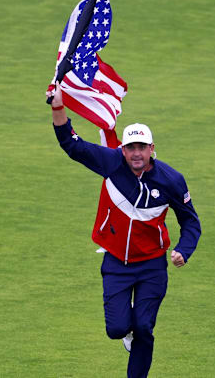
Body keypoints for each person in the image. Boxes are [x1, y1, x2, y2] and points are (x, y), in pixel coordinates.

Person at [47, 84, 201, 378]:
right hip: (116, 261)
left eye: (142, 147)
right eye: (131, 147)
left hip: (152, 264)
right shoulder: (110, 162)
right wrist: (57, 107)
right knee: (117, 328)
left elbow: (191, 221)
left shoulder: (172, 180)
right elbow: (72, 144)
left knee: (144, 326)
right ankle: (127, 335)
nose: (136, 153)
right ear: (123, 149)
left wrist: (184, 249)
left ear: (152, 149)